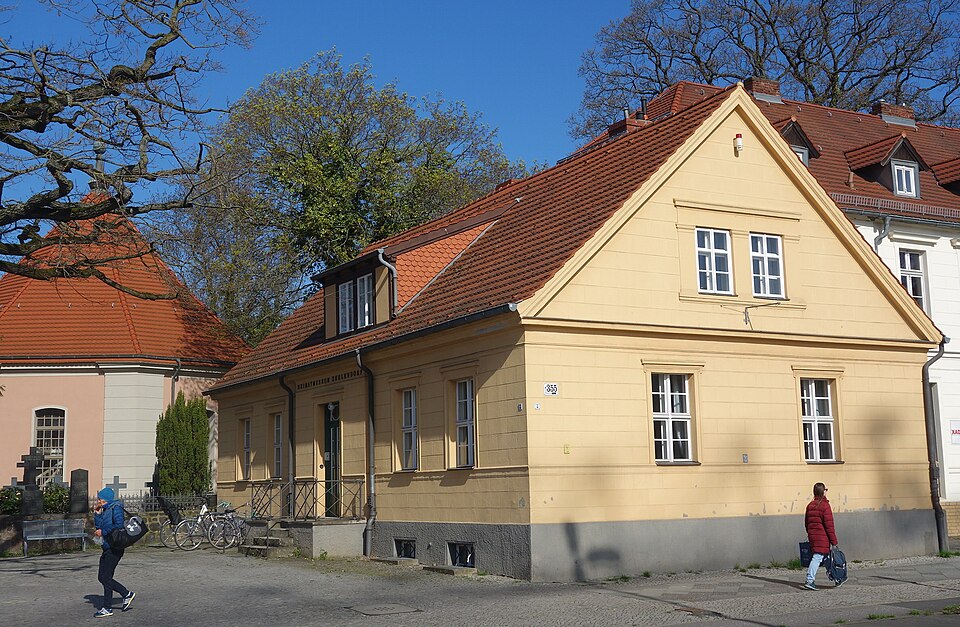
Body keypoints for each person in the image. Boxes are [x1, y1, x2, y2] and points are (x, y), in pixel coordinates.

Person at [93, 487, 136, 617]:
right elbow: (99, 527)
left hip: (115, 547)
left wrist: (103, 532)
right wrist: (97, 515)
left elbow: (119, 525)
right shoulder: (106, 510)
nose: (98, 501)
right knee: (103, 577)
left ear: (104, 499)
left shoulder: (116, 508)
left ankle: (108, 607)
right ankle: (126, 594)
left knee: (106, 578)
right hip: (107, 547)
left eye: (99, 499)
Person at [804, 482, 839, 590]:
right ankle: (810, 580)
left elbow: (806, 523)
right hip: (822, 537)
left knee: (827, 558)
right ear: (823, 492)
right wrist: (834, 541)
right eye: (825, 490)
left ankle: (836, 578)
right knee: (817, 557)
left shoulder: (810, 505)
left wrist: (810, 533)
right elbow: (829, 526)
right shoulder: (825, 506)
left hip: (813, 536)